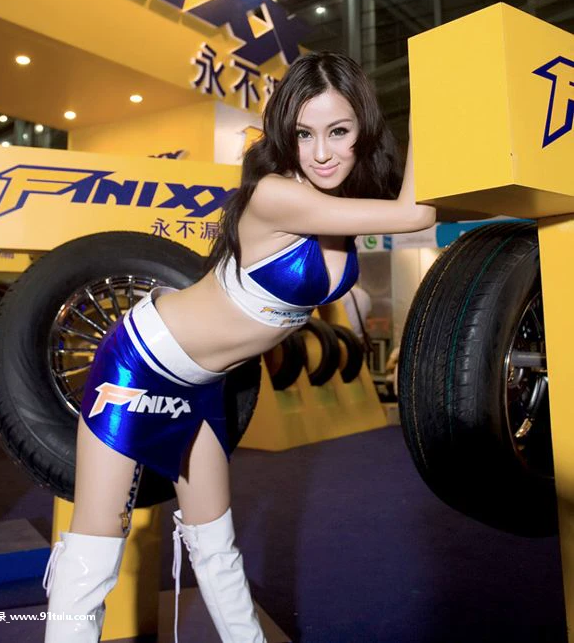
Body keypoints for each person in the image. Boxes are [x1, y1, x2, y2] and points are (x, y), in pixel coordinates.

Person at [42, 51, 436, 643]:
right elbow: (418, 212)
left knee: (215, 542)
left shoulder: (336, 201)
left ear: (363, 130)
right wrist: (435, 96)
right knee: (96, 544)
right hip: (139, 363)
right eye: (303, 134)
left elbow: (412, 204)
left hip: (204, 384)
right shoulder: (276, 195)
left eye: (338, 131)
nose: (321, 152)